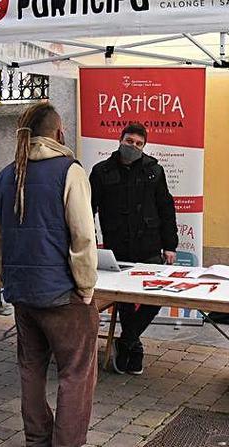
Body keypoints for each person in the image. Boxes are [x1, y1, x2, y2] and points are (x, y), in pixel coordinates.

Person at [0, 102, 98, 447]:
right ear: (58, 132)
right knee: (76, 374)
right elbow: (83, 237)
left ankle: (37, 439)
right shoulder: (70, 171)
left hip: (23, 294)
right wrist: (86, 288)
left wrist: (9, 280)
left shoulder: (7, 175)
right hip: (63, 294)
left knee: (30, 369)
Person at [89, 123, 178, 375]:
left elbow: (166, 209)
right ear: (120, 140)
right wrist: (88, 242)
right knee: (125, 301)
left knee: (157, 297)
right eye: (130, 141)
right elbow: (88, 210)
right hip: (118, 248)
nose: (133, 147)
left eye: (139, 144)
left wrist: (170, 245)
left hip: (149, 246)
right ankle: (134, 350)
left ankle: (126, 340)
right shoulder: (101, 171)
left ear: (144, 146)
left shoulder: (154, 171)